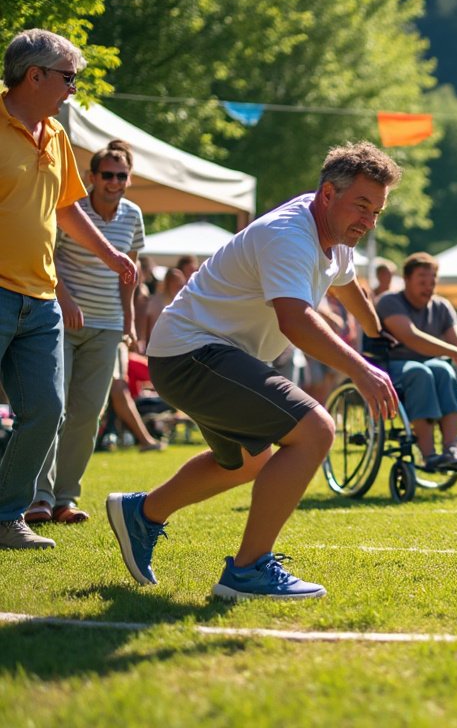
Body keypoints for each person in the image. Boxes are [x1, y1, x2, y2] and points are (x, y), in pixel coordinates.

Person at [107, 141, 401, 598]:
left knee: (247, 462)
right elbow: (295, 319)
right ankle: (248, 571)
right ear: (328, 194)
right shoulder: (290, 234)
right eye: (362, 206)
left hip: (204, 356)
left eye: (377, 212)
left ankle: (141, 514)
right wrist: (362, 369)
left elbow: (347, 285)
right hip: (192, 354)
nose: (368, 220)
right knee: (316, 431)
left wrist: (376, 330)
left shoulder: (336, 236)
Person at [1, 30, 137, 550]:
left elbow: (66, 209)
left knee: (47, 410)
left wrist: (112, 256)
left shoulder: (55, 134)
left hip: (40, 299)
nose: (72, 89)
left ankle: (8, 515)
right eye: (67, 78)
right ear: (34, 76)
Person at [24, 140, 147, 526]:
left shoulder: (133, 215)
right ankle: (39, 497)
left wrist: (127, 318)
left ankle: (65, 499)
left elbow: (130, 270)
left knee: (88, 414)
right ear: (91, 177)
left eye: (121, 175)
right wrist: (66, 300)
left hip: (107, 326)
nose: (114, 182)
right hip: (59, 318)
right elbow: (46, 256)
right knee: (52, 408)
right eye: (107, 175)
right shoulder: (70, 210)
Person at [376, 252, 457, 468]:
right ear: (406, 280)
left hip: (429, 366)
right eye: (422, 281)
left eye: (432, 281)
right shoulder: (390, 301)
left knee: (444, 370)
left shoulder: (442, 307)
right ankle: (429, 453)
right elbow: (410, 336)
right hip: (392, 368)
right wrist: (455, 353)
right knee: (421, 372)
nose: (429, 287)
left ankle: (451, 448)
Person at [140, 267, 185, 350]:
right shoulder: (155, 301)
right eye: (174, 281)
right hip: (157, 346)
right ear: (167, 282)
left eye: (180, 282)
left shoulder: (184, 303)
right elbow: (146, 325)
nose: (178, 284)